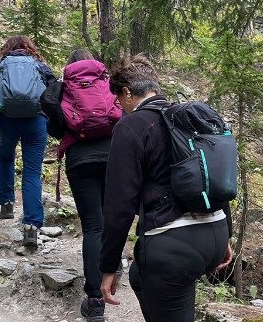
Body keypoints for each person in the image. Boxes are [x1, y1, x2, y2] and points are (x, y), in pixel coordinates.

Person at [99, 55, 233, 322]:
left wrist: (108, 266)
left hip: (172, 245)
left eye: (118, 99)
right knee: (141, 277)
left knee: (164, 281)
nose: (119, 107)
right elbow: (212, 175)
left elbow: (119, 204)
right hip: (214, 232)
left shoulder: (132, 126)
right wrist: (225, 233)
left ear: (127, 93)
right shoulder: (186, 120)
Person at [42, 49, 119, 322]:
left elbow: (55, 128)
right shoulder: (107, 83)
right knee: (111, 221)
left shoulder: (64, 88)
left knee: (93, 227)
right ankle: (112, 271)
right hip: (113, 157)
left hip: (80, 160)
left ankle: (95, 302)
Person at [0, 35, 55, 248]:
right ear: (30, 48)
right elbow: (53, 91)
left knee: (6, 159)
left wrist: (0, 109)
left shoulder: (2, 64)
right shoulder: (39, 65)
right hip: (35, 122)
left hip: (6, 121)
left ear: (7, 48)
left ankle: (6, 206)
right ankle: (31, 227)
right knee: (32, 171)